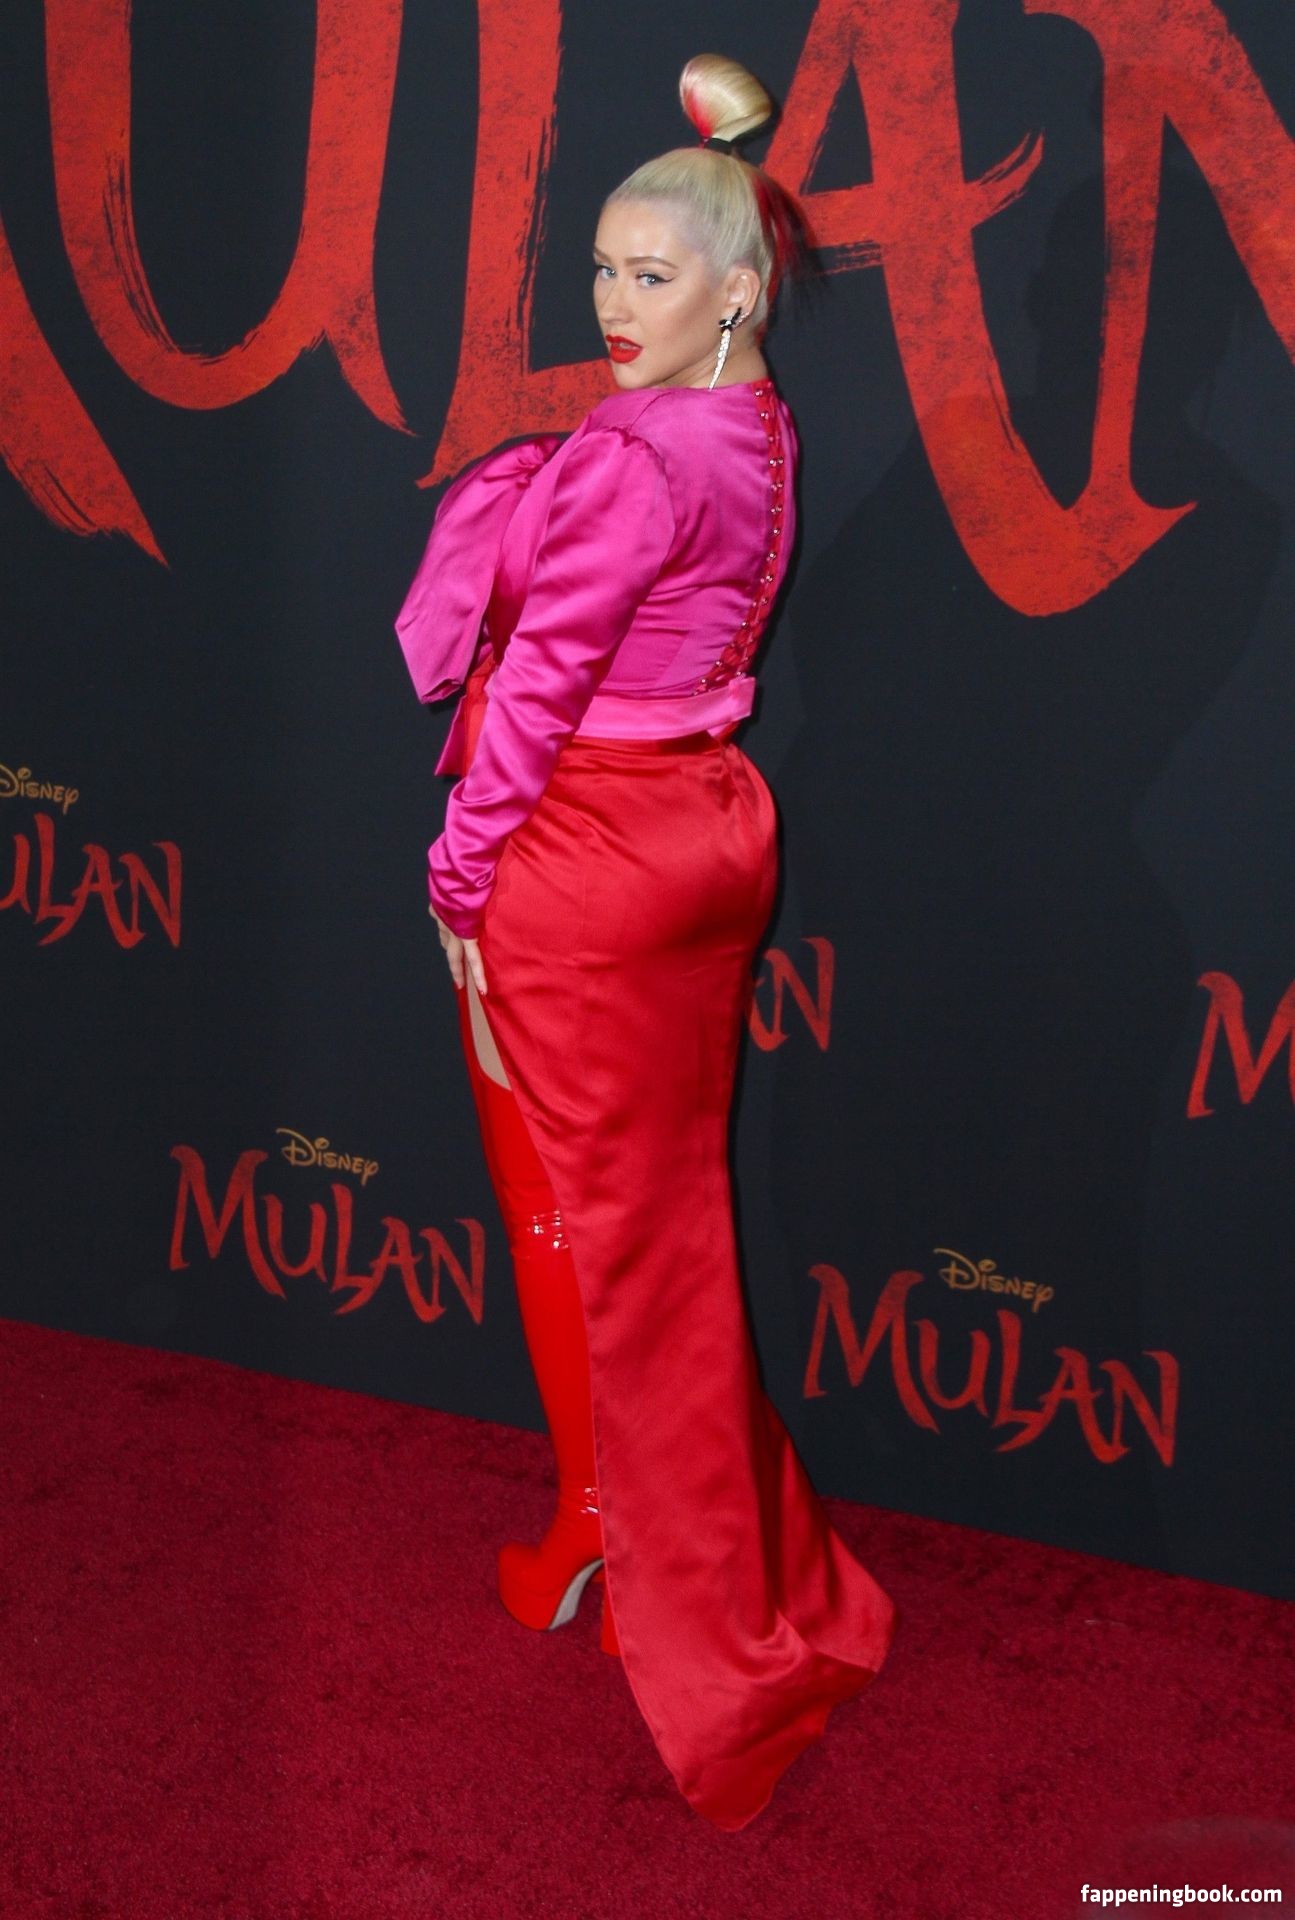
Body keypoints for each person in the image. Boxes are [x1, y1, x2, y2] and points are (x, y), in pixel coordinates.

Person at [394, 52, 898, 1831]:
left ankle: (611, 1545)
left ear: (738, 287)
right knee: (661, 1229)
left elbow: (535, 696)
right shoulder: (759, 424)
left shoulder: (628, 459)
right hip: (705, 831)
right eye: (602, 270)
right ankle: (653, 1547)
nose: (613, 305)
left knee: (567, 1214)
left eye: (652, 274)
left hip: (582, 851)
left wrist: (460, 877)